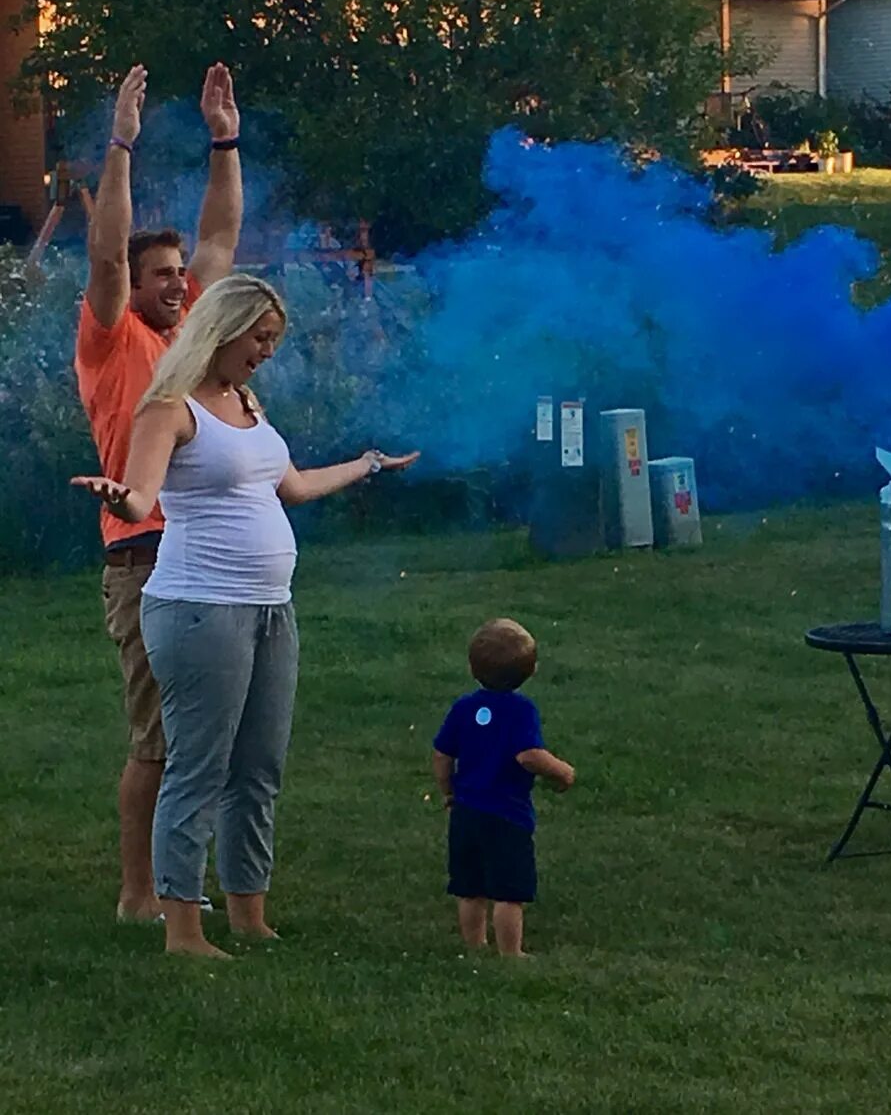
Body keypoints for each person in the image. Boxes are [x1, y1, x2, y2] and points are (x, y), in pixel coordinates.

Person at [72, 274, 420, 958]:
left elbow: (289, 486)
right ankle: (182, 927)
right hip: (200, 608)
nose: (267, 351)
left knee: (259, 766)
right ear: (224, 330)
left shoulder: (246, 402)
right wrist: (119, 499)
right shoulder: (168, 409)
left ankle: (248, 912)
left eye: (274, 340)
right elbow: (142, 499)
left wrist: (367, 465)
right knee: (198, 767)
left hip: (269, 609)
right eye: (260, 337)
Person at [75, 61, 244, 924]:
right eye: (161, 275)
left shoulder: (191, 333)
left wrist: (224, 139)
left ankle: (180, 882)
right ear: (131, 292)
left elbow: (221, 241)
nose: (178, 283)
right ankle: (139, 894)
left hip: (206, 553)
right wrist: (121, 145)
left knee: (205, 737)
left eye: (179, 273)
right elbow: (107, 249)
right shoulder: (112, 340)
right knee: (158, 737)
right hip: (141, 557)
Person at [432, 619, 575, 958]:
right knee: (509, 892)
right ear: (531, 670)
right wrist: (563, 772)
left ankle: (474, 945)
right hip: (506, 815)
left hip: (465, 812)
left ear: (472, 668)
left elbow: (441, 754)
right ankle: (512, 953)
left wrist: (448, 791)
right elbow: (528, 756)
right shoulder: (521, 710)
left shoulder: (464, 708)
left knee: (470, 888)